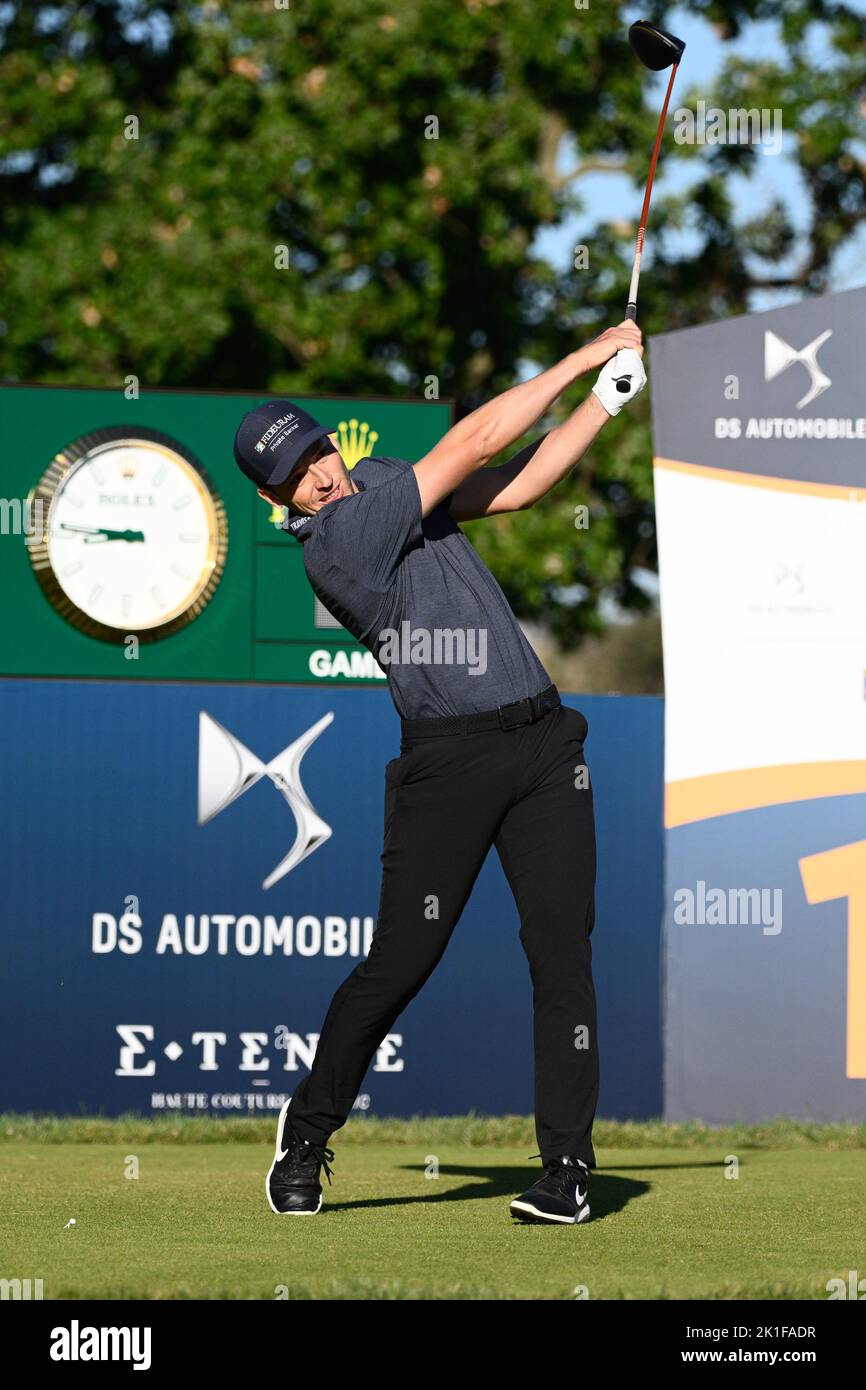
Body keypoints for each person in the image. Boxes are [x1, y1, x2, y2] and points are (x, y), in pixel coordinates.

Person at [232, 323, 645, 1224]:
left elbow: (517, 483)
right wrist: (580, 355)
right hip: (448, 764)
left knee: (561, 952)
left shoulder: (379, 480)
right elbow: (470, 441)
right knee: (401, 962)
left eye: (319, 450)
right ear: (277, 498)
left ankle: (568, 1169)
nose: (322, 472)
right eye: (298, 473)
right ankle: (306, 1132)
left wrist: (603, 403)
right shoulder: (333, 545)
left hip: (542, 746)